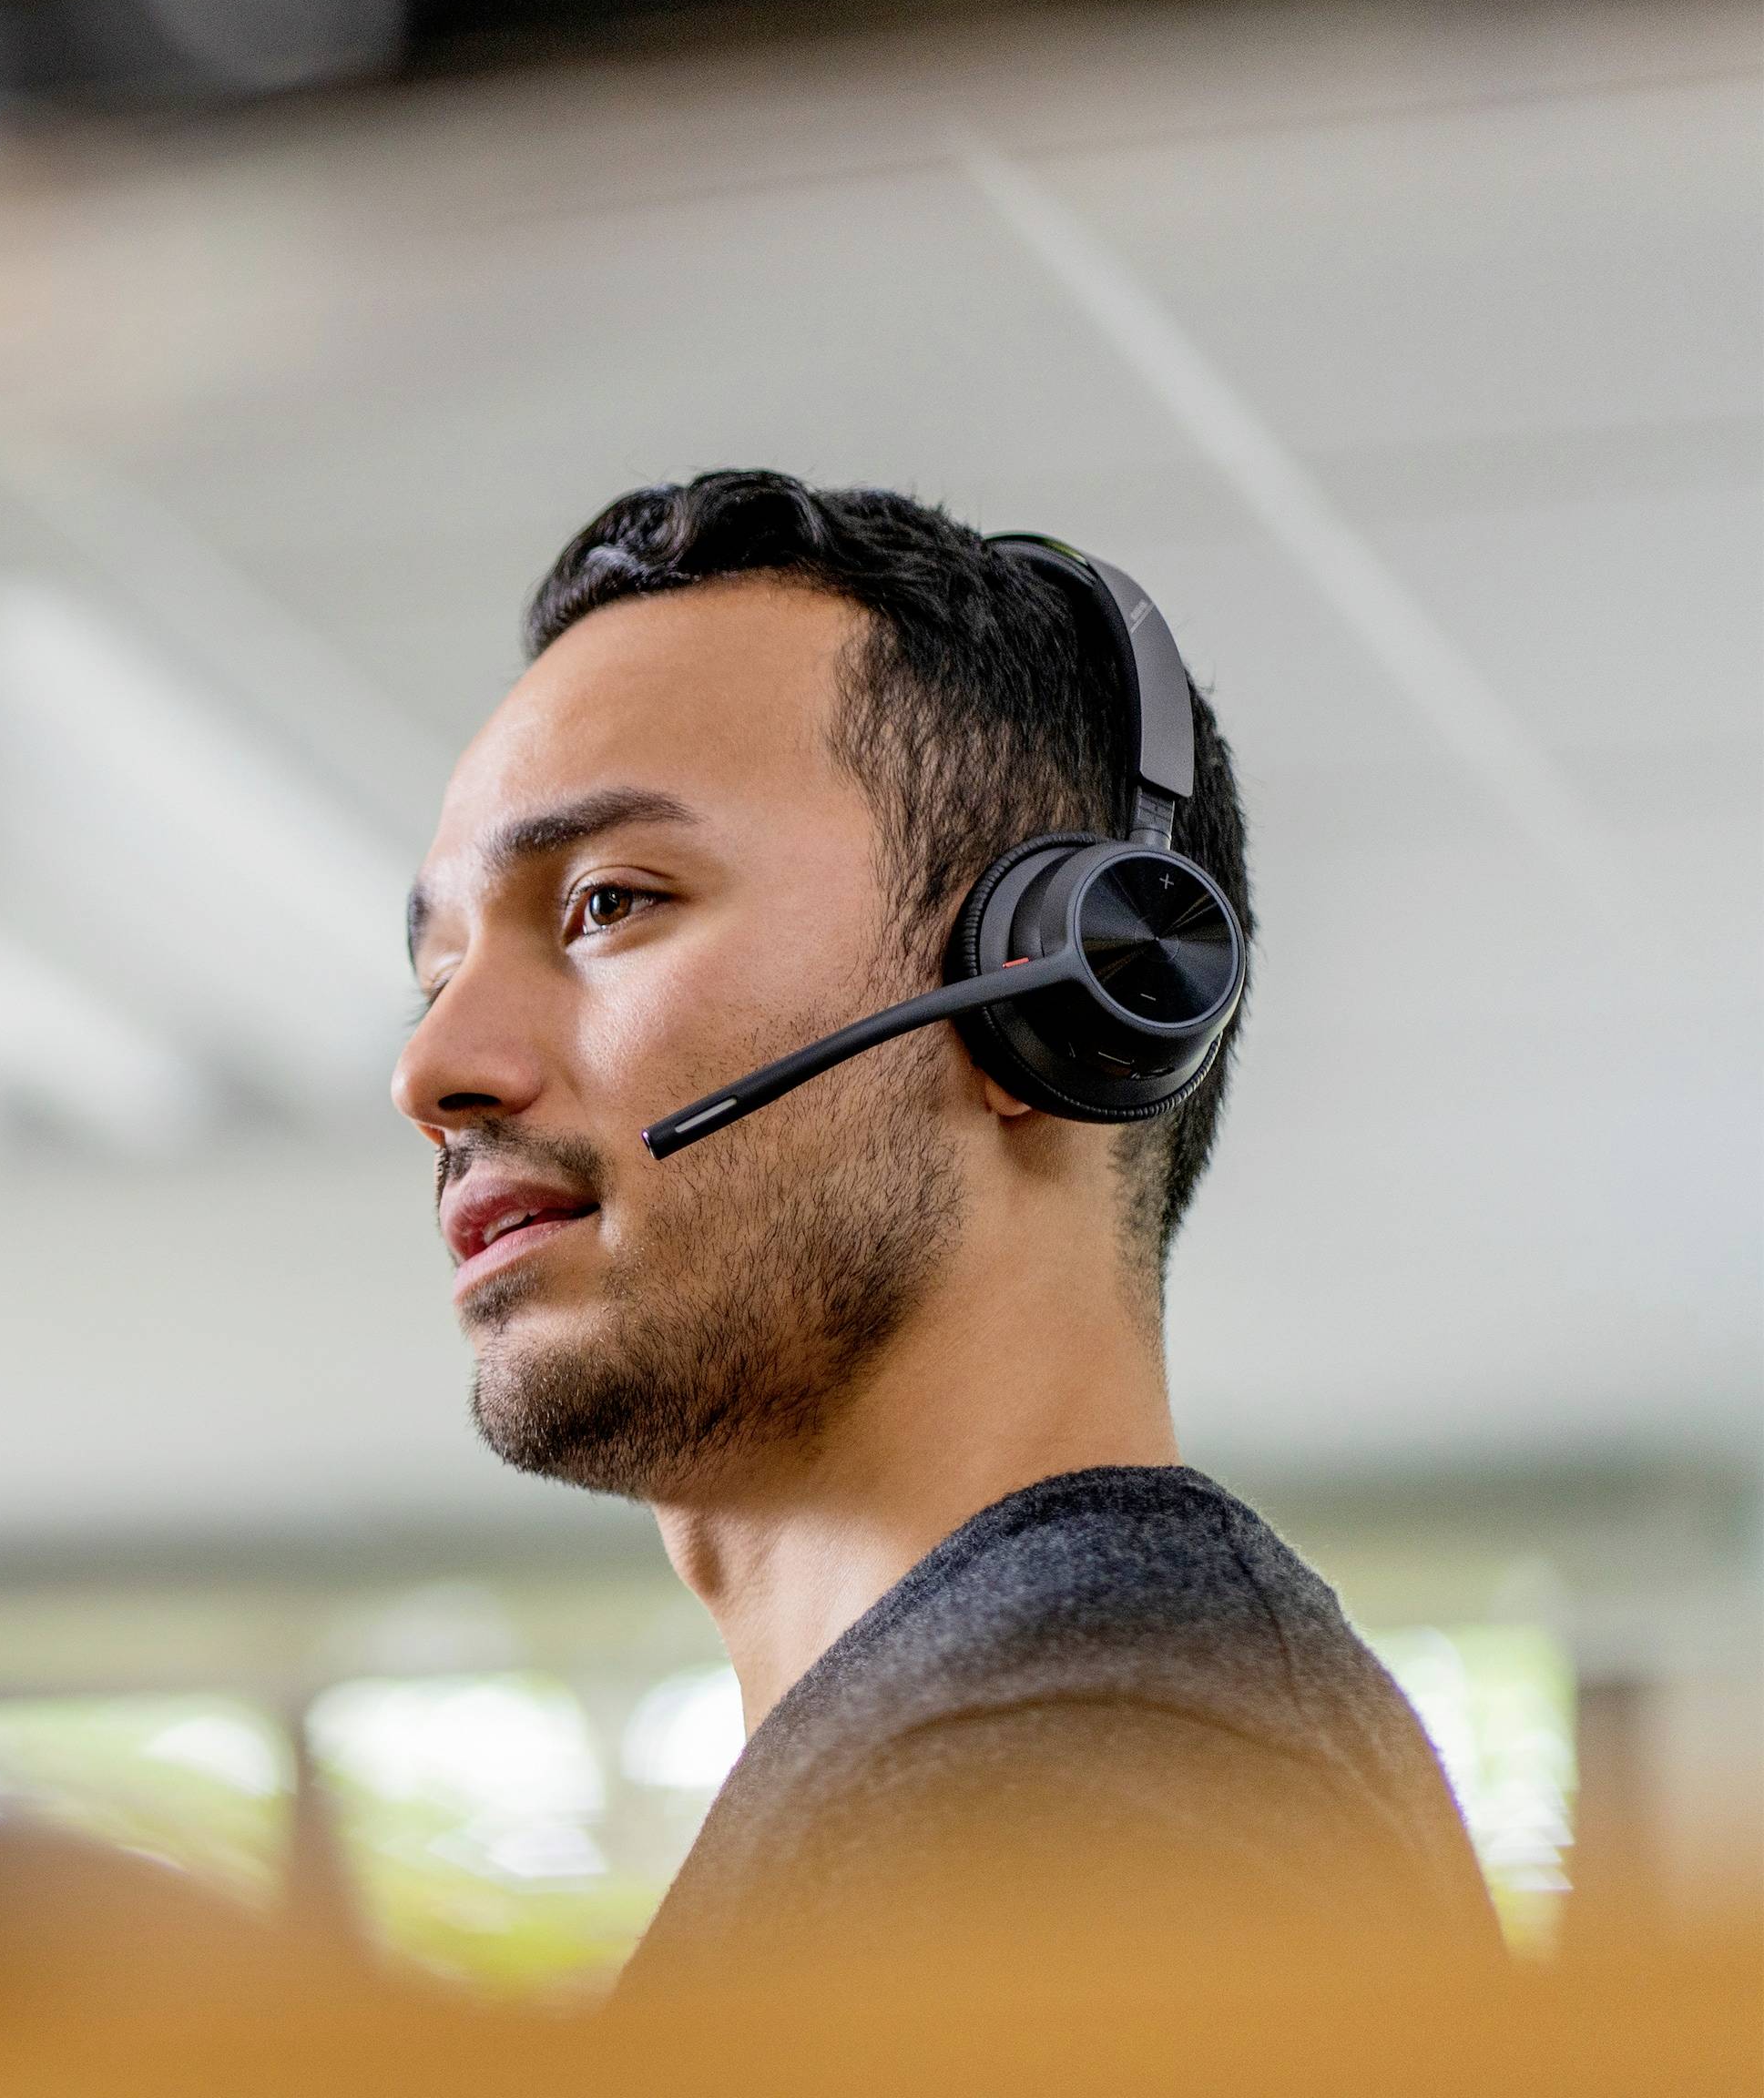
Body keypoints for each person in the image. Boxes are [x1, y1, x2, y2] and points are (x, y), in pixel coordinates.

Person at [393, 471, 1499, 1982]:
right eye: (438, 966)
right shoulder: (983, 1751)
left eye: (608, 903)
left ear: (1057, 991)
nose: (435, 1070)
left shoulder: (1083, 1782)